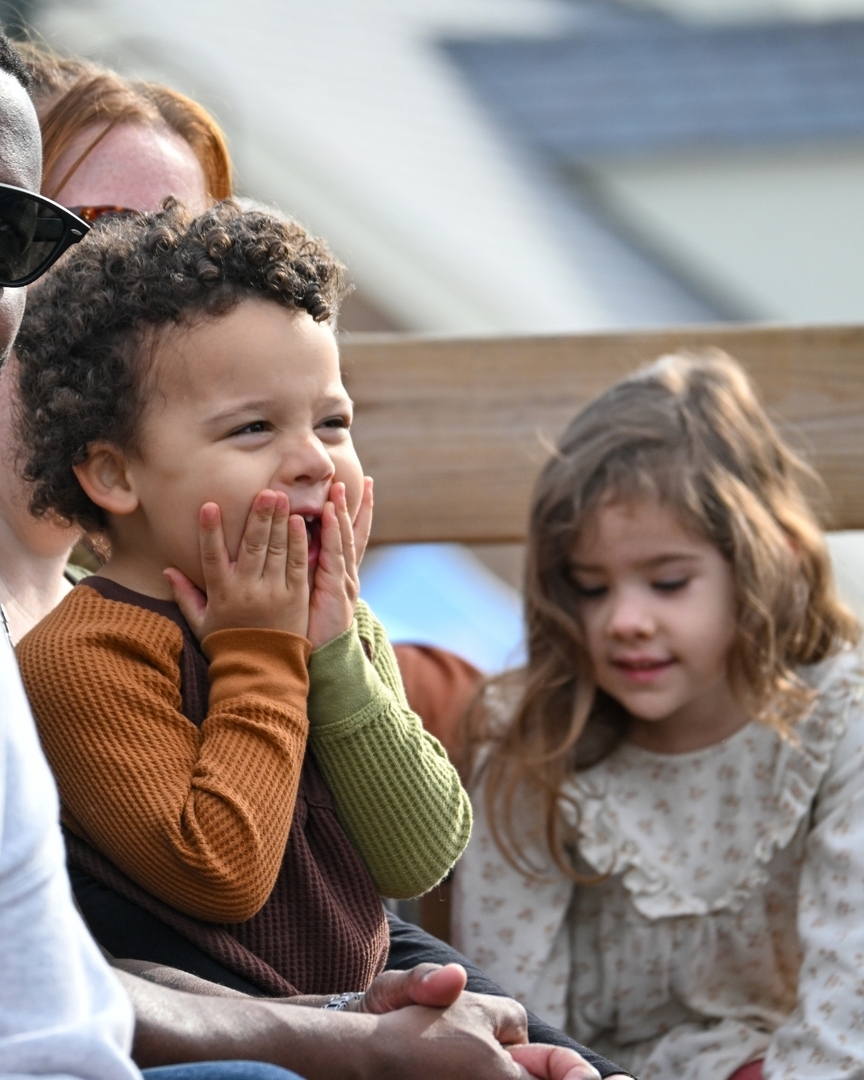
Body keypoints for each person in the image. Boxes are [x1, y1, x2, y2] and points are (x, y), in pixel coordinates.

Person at [0, 26, 308, 1080]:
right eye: (94, 235)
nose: (151, 287)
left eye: (189, 248)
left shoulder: (174, 598)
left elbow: (343, 894)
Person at [453, 351, 864, 1080]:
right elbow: (511, 1016)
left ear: (768, 562)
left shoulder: (838, 720)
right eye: (591, 587)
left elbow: (847, 1002)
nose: (624, 621)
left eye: (668, 582)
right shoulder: (535, 739)